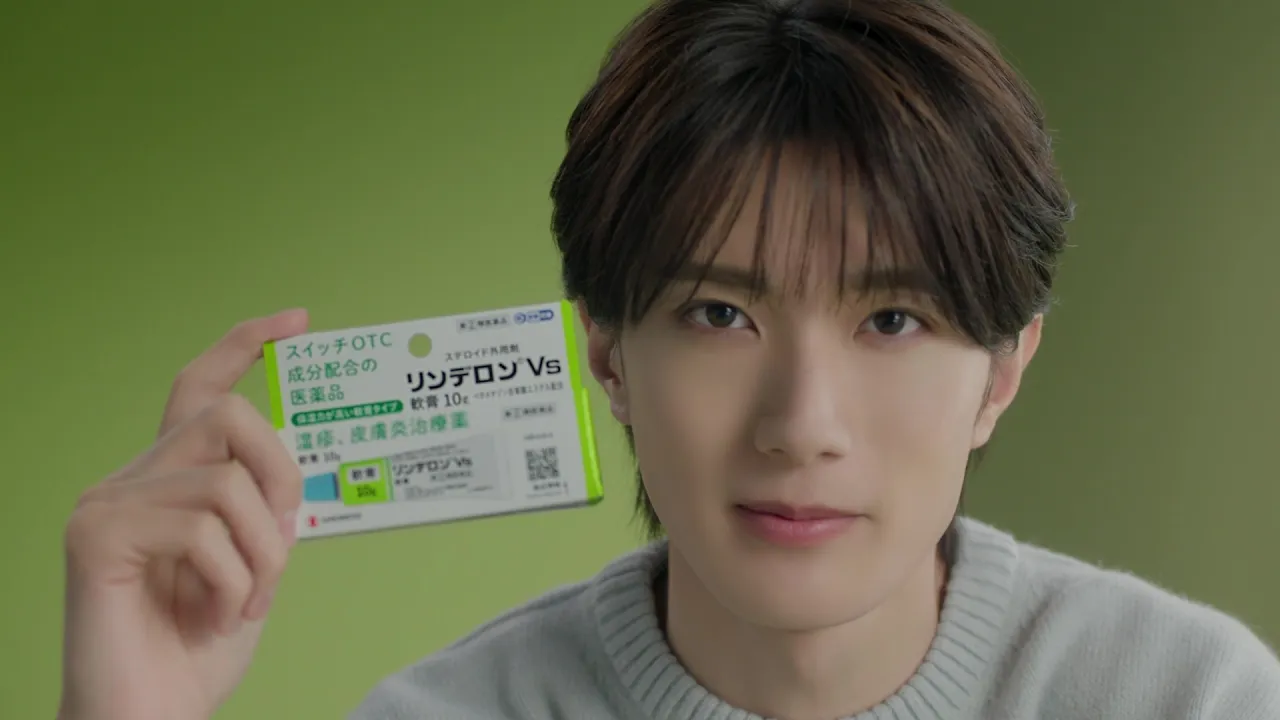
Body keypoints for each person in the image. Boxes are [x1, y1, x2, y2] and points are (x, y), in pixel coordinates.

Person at [57, 0, 1280, 719]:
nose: (800, 425)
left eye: (891, 322)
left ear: (1001, 374)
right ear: (604, 352)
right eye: (718, 313)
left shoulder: (1187, 699)